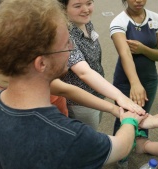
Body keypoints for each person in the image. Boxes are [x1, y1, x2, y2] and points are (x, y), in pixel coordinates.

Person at [0, 0, 146, 168]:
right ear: (41, 64)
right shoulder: (70, 135)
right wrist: (129, 121)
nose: (72, 48)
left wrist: (114, 106)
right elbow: (121, 147)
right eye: (67, 44)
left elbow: (67, 89)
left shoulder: (5, 98)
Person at [58, 0, 145, 131]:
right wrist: (119, 96)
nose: (86, 9)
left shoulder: (85, 23)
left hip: (97, 90)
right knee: (87, 136)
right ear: (64, 9)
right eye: (77, 6)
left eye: (89, 3)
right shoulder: (65, 35)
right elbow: (84, 72)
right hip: (81, 100)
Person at [109, 0, 158, 138]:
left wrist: (143, 49)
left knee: (144, 115)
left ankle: (141, 144)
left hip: (150, 78)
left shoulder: (157, 19)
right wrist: (135, 83)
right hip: (125, 80)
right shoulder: (119, 21)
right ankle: (121, 154)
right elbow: (125, 54)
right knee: (124, 117)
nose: (139, 0)